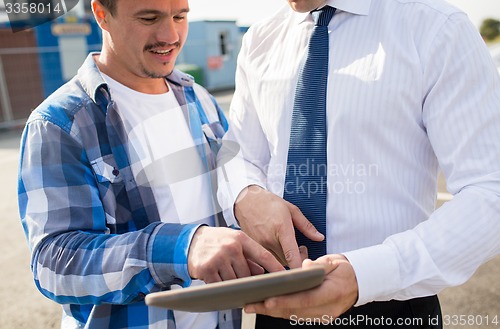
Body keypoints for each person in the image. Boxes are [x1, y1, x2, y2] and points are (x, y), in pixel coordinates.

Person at [217, 0, 500, 327]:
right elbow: (237, 151)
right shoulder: (259, 39)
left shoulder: (437, 28)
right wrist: (245, 193)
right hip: (277, 307)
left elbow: (490, 189)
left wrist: (367, 274)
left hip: (390, 308)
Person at [17, 0, 284, 328]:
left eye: (180, 16)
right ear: (101, 14)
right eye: (149, 17)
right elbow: (54, 265)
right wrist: (181, 248)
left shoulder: (201, 101)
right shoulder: (60, 123)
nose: (170, 34)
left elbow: (235, 198)